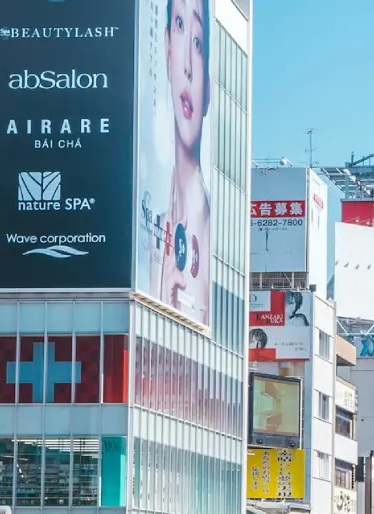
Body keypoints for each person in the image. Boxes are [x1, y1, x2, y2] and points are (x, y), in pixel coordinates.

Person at [152, 0, 213, 325]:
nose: (188, 65)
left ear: (209, 90)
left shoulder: (206, 224)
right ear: (166, 48)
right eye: (179, 26)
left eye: (199, 43)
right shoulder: (153, 219)